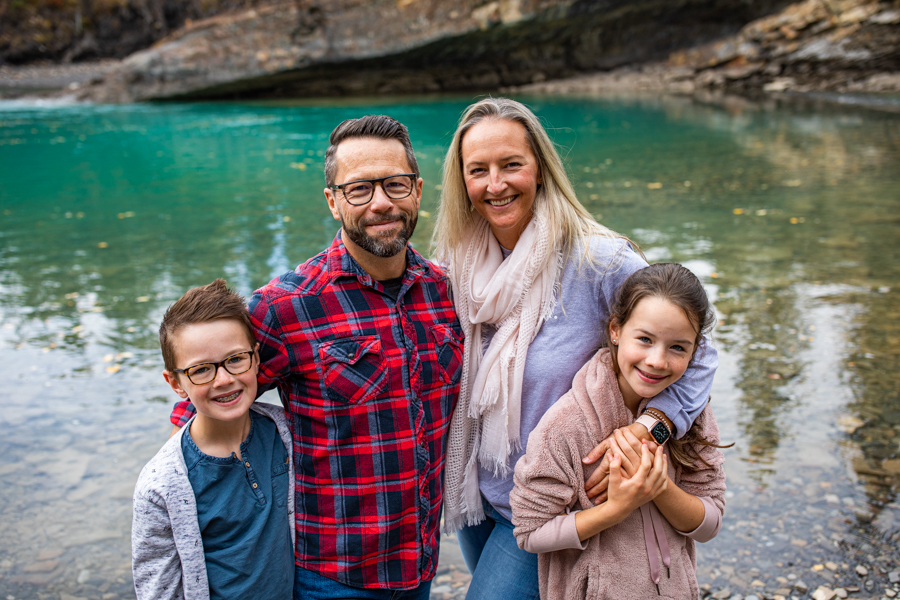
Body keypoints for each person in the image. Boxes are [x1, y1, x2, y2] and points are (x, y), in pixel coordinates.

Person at [432, 97, 717, 599]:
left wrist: (653, 427)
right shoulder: (455, 264)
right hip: (482, 492)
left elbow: (695, 344)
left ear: (540, 168)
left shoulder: (599, 259)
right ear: (462, 181)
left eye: (511, 164)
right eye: (478, 170)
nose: (495, 184)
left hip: (560, 502)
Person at [169, 115, 462, 600]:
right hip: (330, 575)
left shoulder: (444, 291)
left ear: (417, 189)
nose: (382, 202)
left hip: (421, 563)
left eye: (395, 184)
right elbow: (199, 412)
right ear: (332, 201)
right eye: (359, 189)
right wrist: (243, 522)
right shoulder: (286, 306)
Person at [510, 263, 727, 600]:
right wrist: (616, 510)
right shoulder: (566, 424)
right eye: (644, 339)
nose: (657, 360)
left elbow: (710, 525)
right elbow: (530, 531)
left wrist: (659, 489)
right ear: (615, 330)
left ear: (696, 351)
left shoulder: (694, 416)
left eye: (678, 347)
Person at [133, 279, 294, 600]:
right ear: (176, 383)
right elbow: (158, 588)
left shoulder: (284, 433)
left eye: (235, 359)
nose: (224, 379)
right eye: (202, 369)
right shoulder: (161, 486)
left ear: (257, 358)